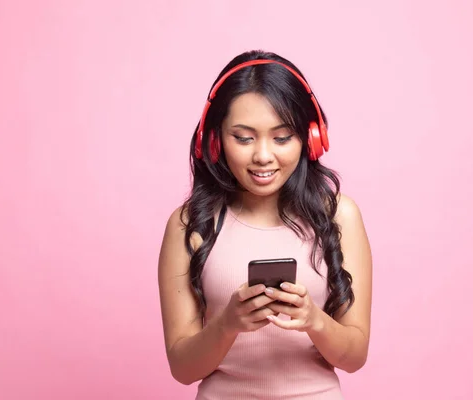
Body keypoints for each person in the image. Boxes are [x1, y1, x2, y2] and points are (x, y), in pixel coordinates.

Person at [157, 49, 372, 399]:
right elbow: (182, 369)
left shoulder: (340, 216)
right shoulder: (188, 226)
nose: (263, 155)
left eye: (282, 137)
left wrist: (313, 320)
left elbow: (355, 356)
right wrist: (227, 324)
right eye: (243, 138)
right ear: (214, 141)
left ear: (311, 138)